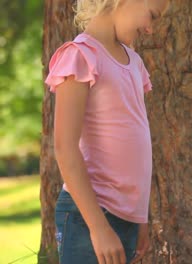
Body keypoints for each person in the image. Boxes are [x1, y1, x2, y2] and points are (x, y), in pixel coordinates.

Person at [44, 0, 169, 263]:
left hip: (126, 219)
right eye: (152, 17)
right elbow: (65, 149)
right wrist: (99, 228)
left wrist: (140, 218)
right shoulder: (80, 56)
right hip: (88, 216)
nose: (150, 30)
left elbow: (137, 149)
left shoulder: (134, 62)